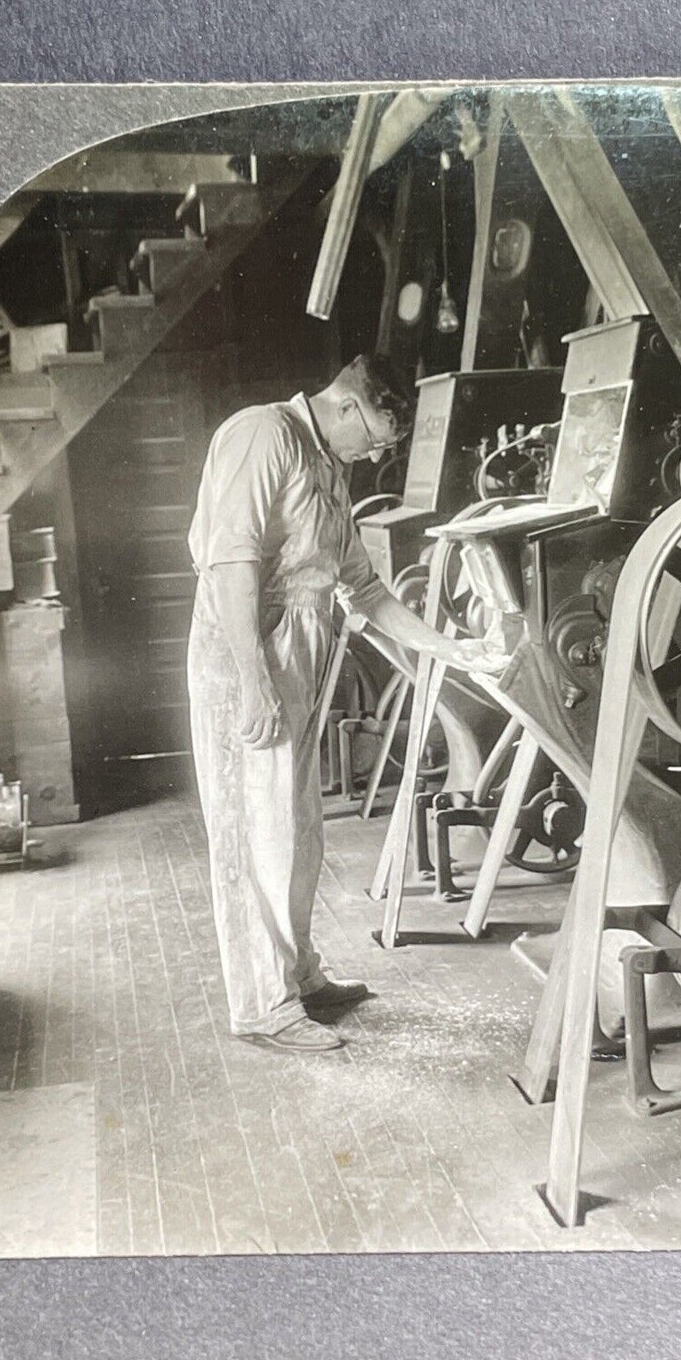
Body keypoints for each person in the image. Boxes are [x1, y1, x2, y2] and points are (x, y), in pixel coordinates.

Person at [186, 354, 506, 1052]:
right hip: (248, 645)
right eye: (381, 437)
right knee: (253, 830)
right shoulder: (263, 434)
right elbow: (230, 561)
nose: (381, 452)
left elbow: (365, 590)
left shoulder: (328, 464)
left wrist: (451, 651)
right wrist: (252, 678)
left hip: (296, 646)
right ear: (349, 405)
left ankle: (298, 975)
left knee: (297, 828)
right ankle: (262, 1003)